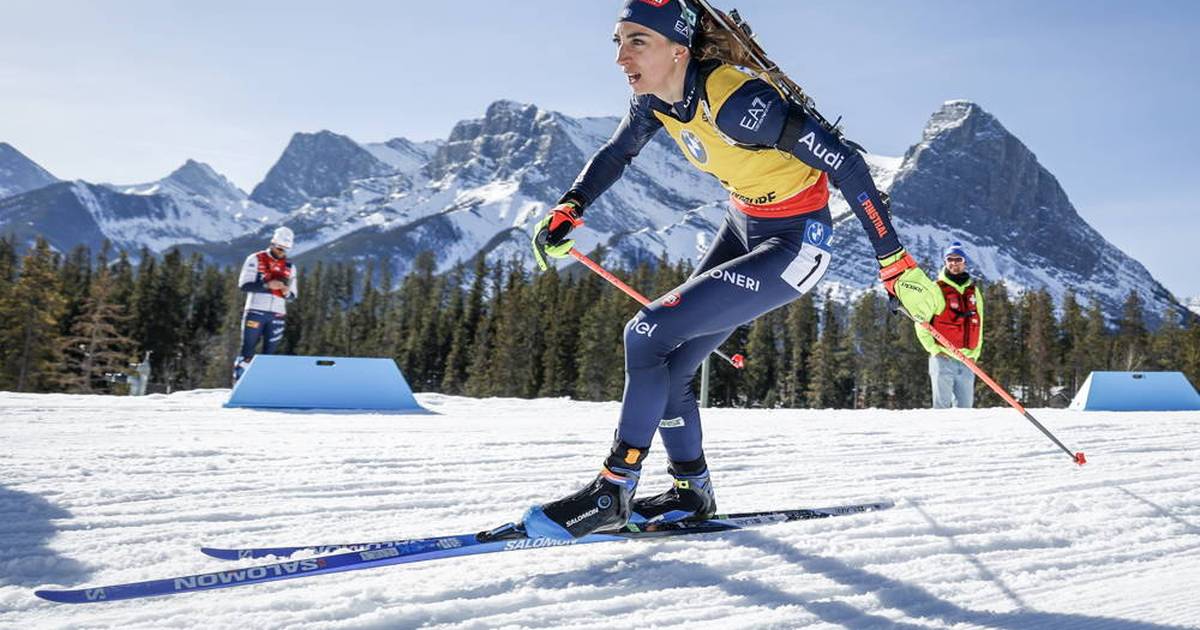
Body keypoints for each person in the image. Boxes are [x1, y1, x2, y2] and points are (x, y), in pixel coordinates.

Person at [522, 0, 942, 540]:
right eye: (618, 41)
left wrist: (893, 260)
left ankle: (613, 489)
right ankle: (691, 493)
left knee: (646, 333)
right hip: (744, 224)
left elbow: (845, 162)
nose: (621, 56)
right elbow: (615, 153)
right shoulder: (654, 101)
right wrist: (570, 206)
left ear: (678, 50)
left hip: (794, 246)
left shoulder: (738, 102)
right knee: (669, 365)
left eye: (636, 41)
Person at [917, 242, 983, 409]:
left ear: (965, 262)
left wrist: (975, 354)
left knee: (966, 408)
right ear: (945, 262)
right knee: (942, 409)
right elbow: (921, 321)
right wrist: (934, 350)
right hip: (943, 357)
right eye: (950, 259)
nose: (954, 263)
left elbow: (979, 323)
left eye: (958, 259)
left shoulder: (973, 292)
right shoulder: (936, 289)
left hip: (967, 359)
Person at [233, 227, 297, 383]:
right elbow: (244, 285)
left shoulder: (290, 267)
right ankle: (239, 384)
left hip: (277, 314)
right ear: (273, 243)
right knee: (247, 351)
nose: (282, 252)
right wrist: (267, 285)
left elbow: (293, 296)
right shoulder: (255, 259)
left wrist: (287, 291)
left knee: (269, 356)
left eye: (286, 249)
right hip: (255, 311)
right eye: (280, 248)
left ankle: (261, 385)